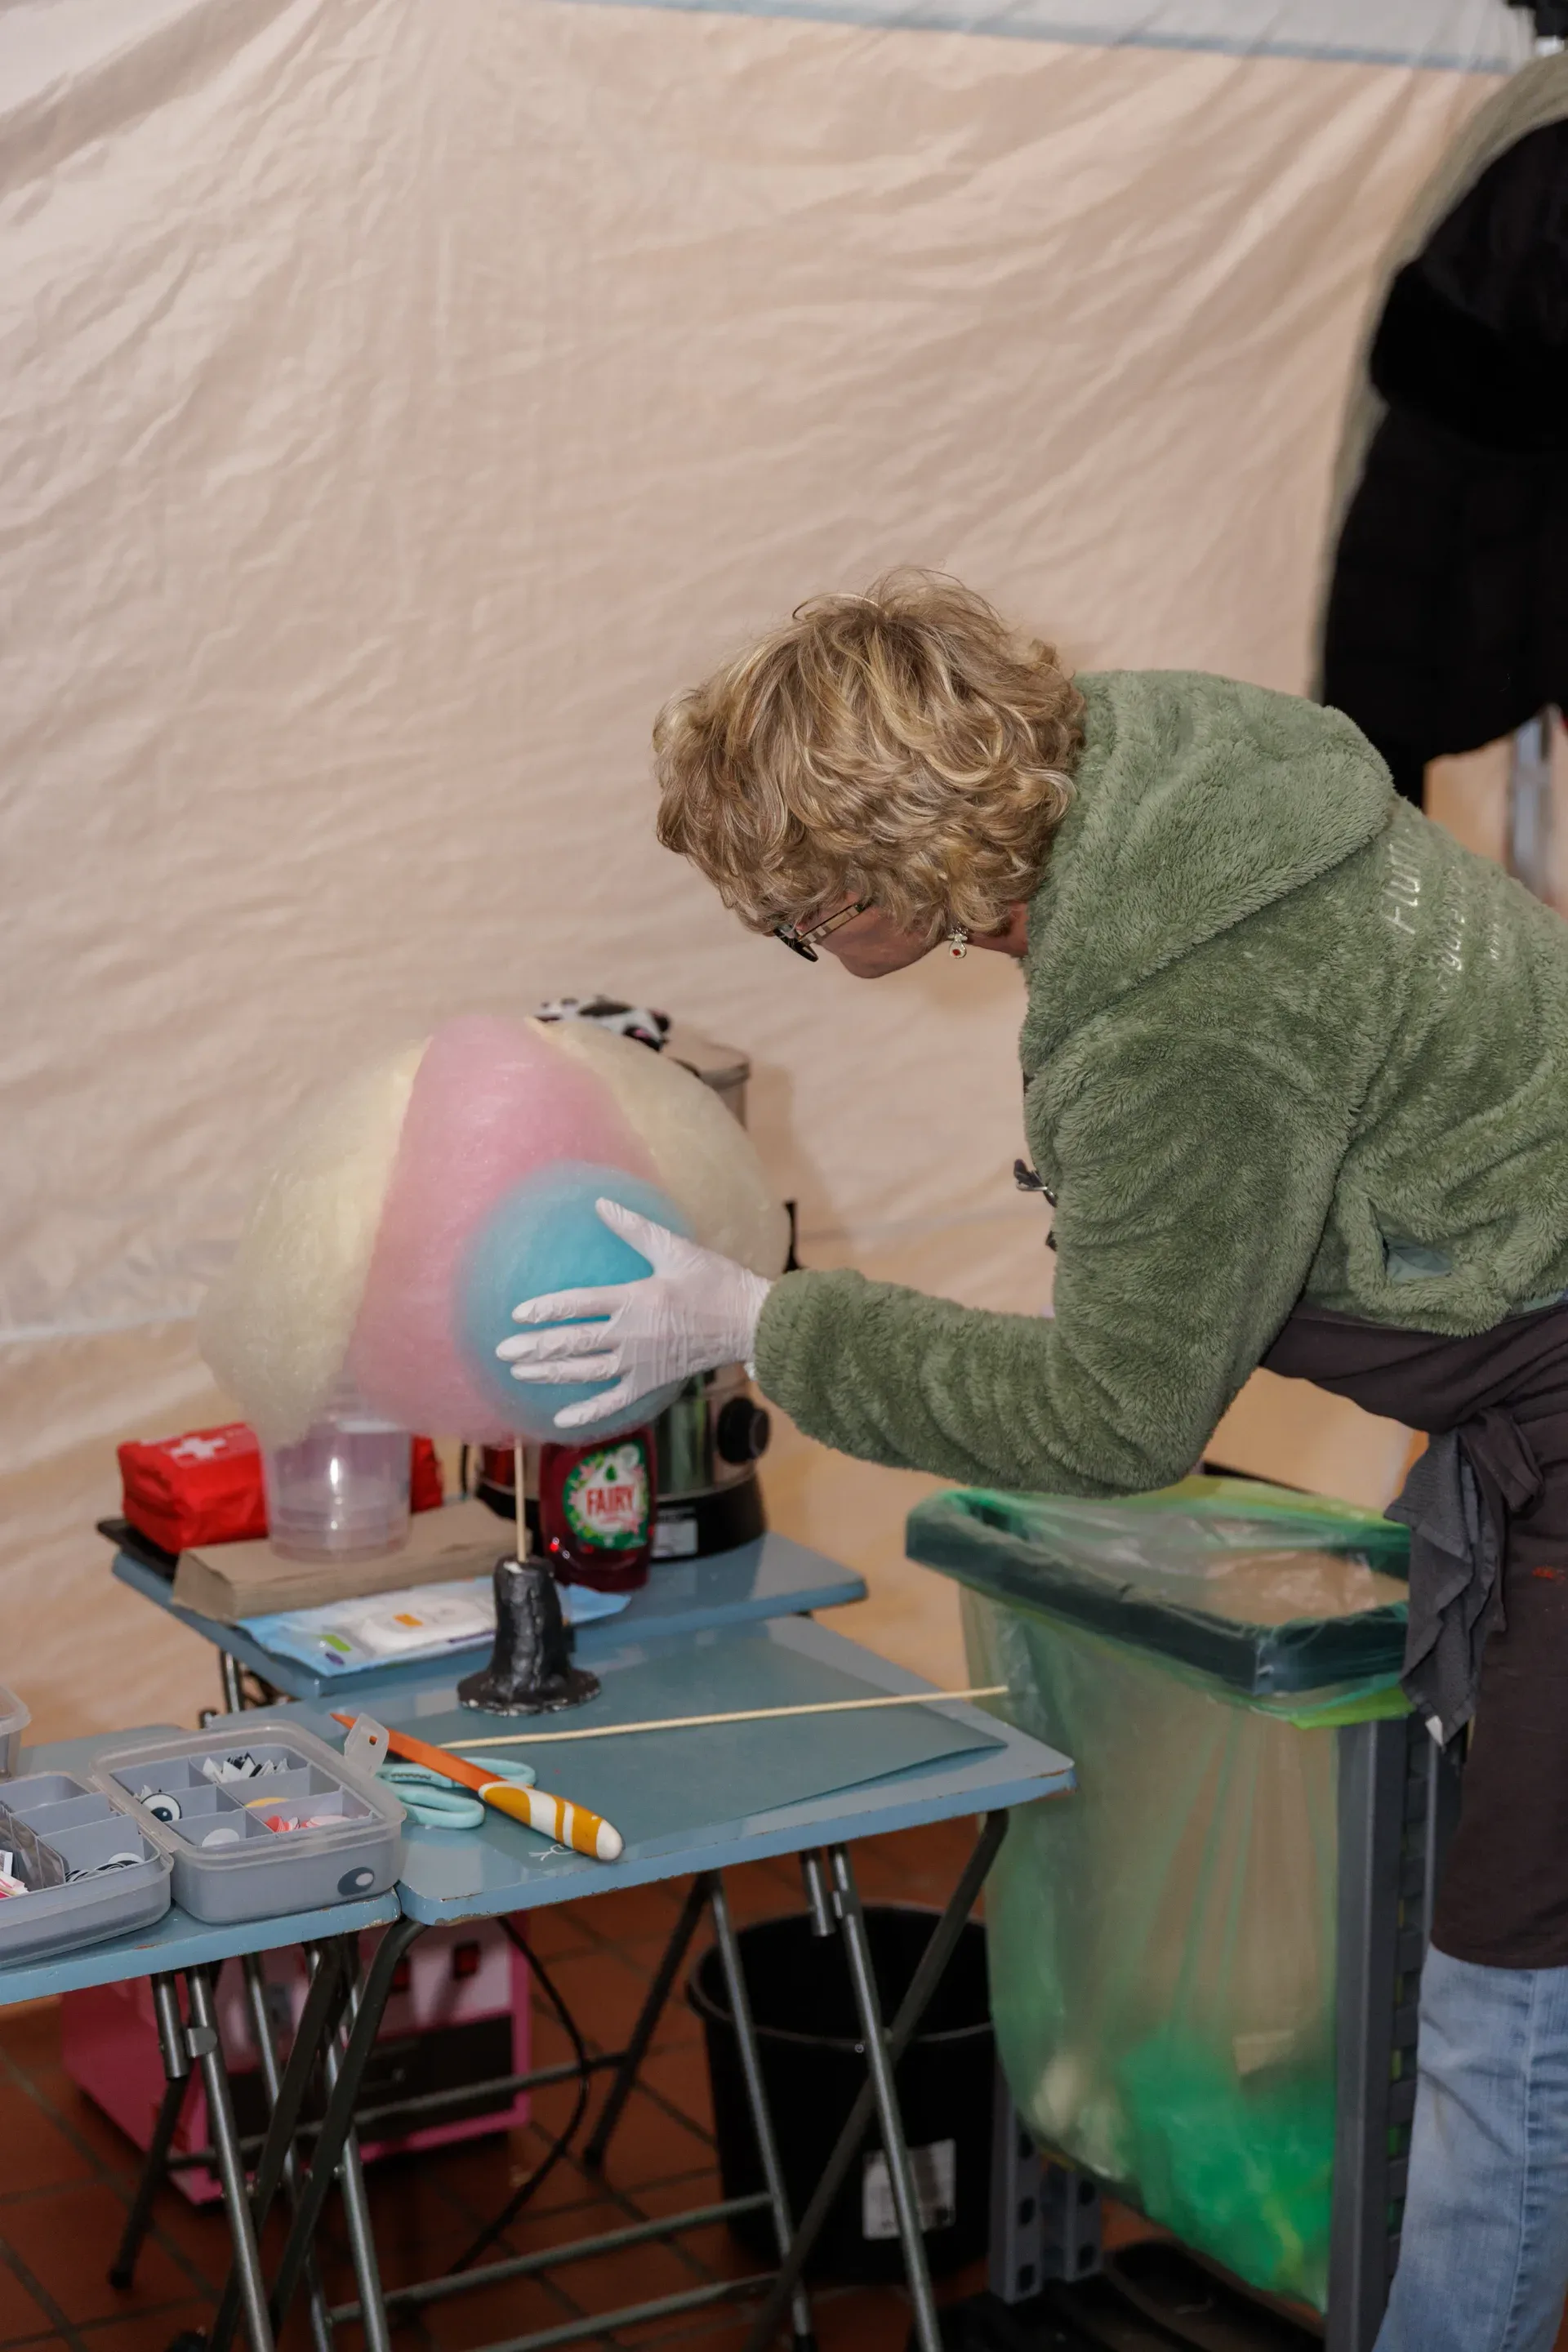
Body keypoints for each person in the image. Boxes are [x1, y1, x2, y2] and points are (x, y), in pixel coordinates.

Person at [497, 570, 1568, 2352]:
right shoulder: (1170, 770)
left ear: (884, 880)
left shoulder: (1176, 1012)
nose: (806, 946)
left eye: (797, 920)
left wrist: (761, 1326)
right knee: (1460, 1897)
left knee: (1504, 1998)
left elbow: (1113, 1420)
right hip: (1521, 1393)